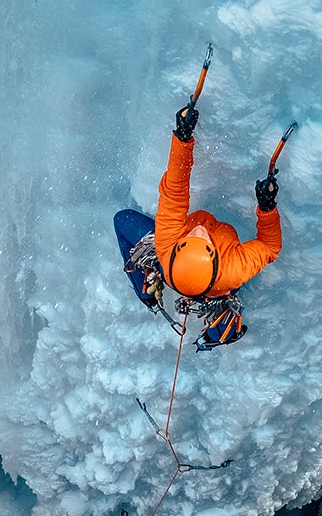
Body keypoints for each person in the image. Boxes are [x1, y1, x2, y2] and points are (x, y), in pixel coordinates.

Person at [113, 92, 281, 349]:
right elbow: (269, 247)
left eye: (194, 238)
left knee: (122, 220)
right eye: (200, 240)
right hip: (205, 282)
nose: (199, 230)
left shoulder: (168, 242)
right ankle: (216, 334)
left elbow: (175, 188)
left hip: (177, 270)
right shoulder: (231, 270)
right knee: (226, 304)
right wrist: (266, 208)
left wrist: (182, 138)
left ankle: (147, 292)